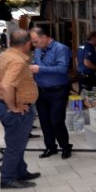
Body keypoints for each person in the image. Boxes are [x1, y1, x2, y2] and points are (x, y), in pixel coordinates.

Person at [0, 29, 40, 189]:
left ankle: (21, 172)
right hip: (16, 111)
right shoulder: (17, 61)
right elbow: (6, 84)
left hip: (4, 106)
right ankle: (8, 178)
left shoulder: (3, 56)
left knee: (16, 142)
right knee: (15, 146)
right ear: (27, 43)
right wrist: (13, 107)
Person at [29, 27, 73, 159]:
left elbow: (62, 68)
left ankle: (65, 146)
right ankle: (50, 147)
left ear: (44, 37)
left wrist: (39, 69)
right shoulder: (38, 50)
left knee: (56, 121)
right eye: (33, 42)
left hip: (57, 91)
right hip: (41, 92)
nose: (34, 45)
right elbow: (36, 66)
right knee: (44, 121)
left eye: (36, 41)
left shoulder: (61, 49)